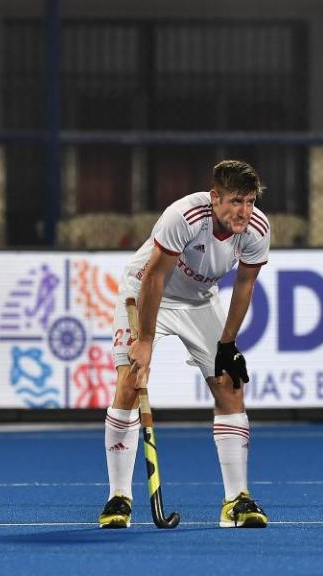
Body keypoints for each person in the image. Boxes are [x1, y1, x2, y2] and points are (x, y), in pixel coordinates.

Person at [99, 160, 271, 529]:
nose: (244, 211)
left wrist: (228, 343)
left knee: (229, 385)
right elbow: (155, 279)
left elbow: (245, 285)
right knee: (130, 383)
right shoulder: (184, 216)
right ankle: (118, 499)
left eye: (250, 202)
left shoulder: (256, 228)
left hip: (199, 301)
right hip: (146, 293)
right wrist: (144, 342)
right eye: (236, 202)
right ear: (215, 198)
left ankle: (236, 500)